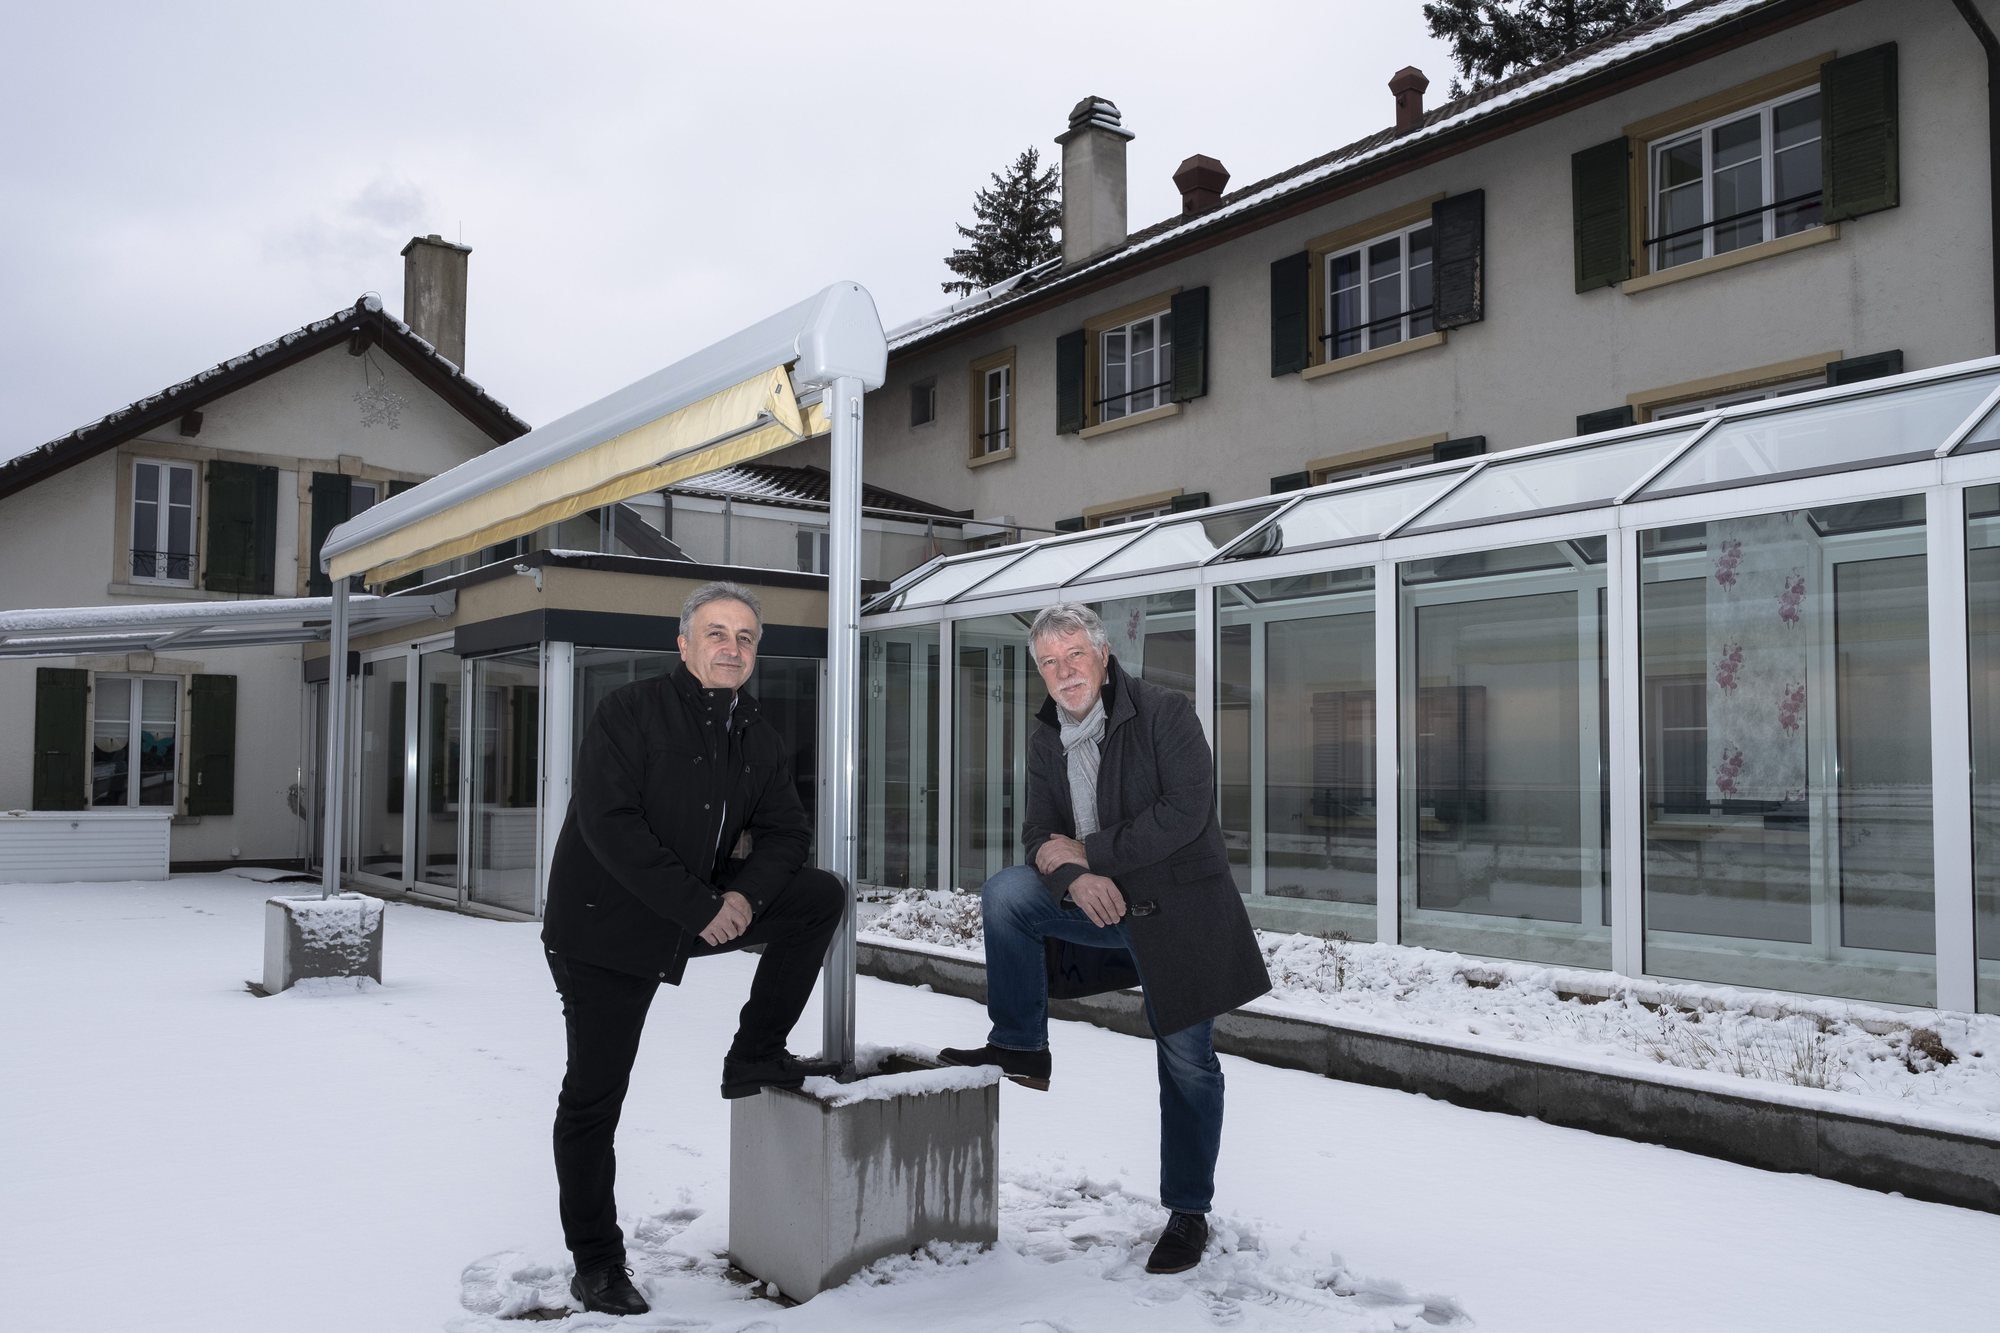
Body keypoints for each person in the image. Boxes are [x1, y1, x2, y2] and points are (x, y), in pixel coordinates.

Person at [540, 581, 844, 1316]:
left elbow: (786, 834)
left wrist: (741, 899)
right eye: (716, 633)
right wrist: (703, 906)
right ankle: (597, 1262)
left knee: (819, 895)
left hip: (694, 909)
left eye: (744, 636)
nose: (731, 647)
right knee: (594, 1096)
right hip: (604, 927)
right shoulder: (628, 713)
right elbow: (612, 825)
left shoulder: (758, 736)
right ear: (683, 644)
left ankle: (755, 1050)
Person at [941, 601, 1271, 1276]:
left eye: (1075, 656)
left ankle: (1187, 1211)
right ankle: (1021, 1045)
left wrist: (1089, 852)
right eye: (1049, 663)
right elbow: (1038, 837)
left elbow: (1186, 810)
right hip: (1103, 902)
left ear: (1104, 656)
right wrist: (1072, 879)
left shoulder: (1165, 713)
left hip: (1179, 912)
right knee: (1007, 895)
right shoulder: (1044, 737)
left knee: (1187, 1061)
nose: (1064, 673)